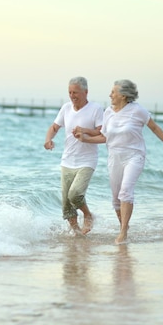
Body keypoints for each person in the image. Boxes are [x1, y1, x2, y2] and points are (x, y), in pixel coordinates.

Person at [75, 79, 163, 244]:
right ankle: (123, 227)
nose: (110, 95)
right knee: (115, 199)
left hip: (134, 156)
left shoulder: (137, 110)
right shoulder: (108, 113)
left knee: (125, 191)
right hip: (114, 157)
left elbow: (154, 128)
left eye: (113, 92)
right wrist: (84, 139)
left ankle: (124, 232)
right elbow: (104, 137)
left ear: (124, 95)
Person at [44, 77, 104, 234]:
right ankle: (77, 235)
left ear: (86, 92)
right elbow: (54, 127)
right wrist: (49, 139)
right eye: (70, 92)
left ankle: (88, 215)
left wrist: (84, 130)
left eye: (75, 92)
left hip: (87, 160)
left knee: (75, 194)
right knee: (67, 204)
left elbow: (101, 131)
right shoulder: (66, 108)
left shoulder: (95, 108)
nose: (72, 96)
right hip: (67, 160)